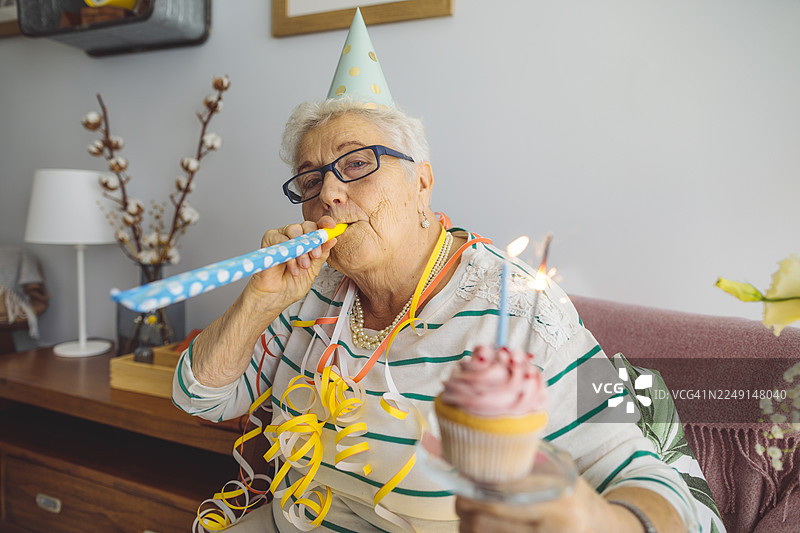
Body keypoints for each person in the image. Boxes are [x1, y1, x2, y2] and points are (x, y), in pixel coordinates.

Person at [173, 9, 700, 533]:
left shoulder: (520, 307)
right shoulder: (312, 287)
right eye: (309, 180)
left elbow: (651, 481)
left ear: (421, 183)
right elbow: (201, 397)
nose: (328, 193)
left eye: (356, 164)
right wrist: (258, 302)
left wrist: (592, 519)